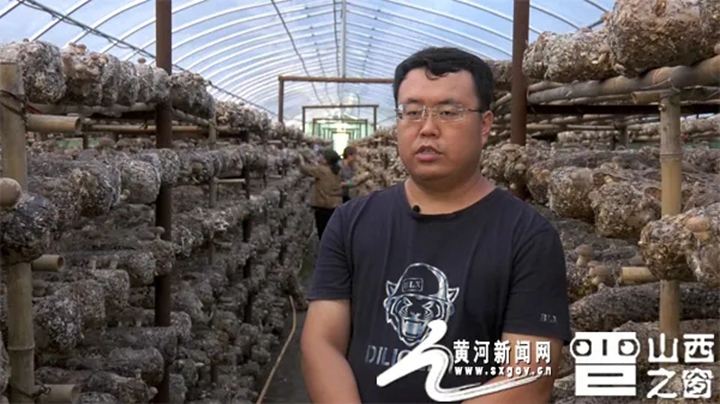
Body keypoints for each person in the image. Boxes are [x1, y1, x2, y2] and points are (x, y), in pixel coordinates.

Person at [301, 46, 572, 404]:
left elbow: (528, 378)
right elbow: (322, 341)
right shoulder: (351, 222)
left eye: (448, 112)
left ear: (485, 125)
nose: (427, 128)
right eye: (412, 112)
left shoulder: (528, 237)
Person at [299, 148, 343, 240]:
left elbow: (305, 169)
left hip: (323, 206)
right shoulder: (336, 170)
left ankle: (325, 247)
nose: (320, 158)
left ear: (326, 160)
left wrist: (301, 160)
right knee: (332, 230)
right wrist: (311, 161)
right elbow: (318, 168)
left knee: (323, 231)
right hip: (335, 204)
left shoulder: (322, 170)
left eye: (322, 157)